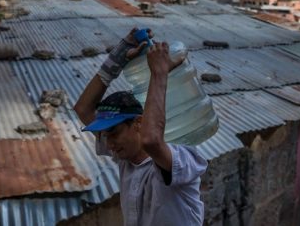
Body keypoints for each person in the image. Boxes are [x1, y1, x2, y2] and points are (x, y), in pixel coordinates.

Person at [74, 28, 207, 226]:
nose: (109, 144)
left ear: (138, 123)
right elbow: (83, 109)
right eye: (104, 135)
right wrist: (119, 56)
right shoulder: (125, 157)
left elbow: (151, 141)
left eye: (113, 133)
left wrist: (159, 73)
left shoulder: (180, 158)